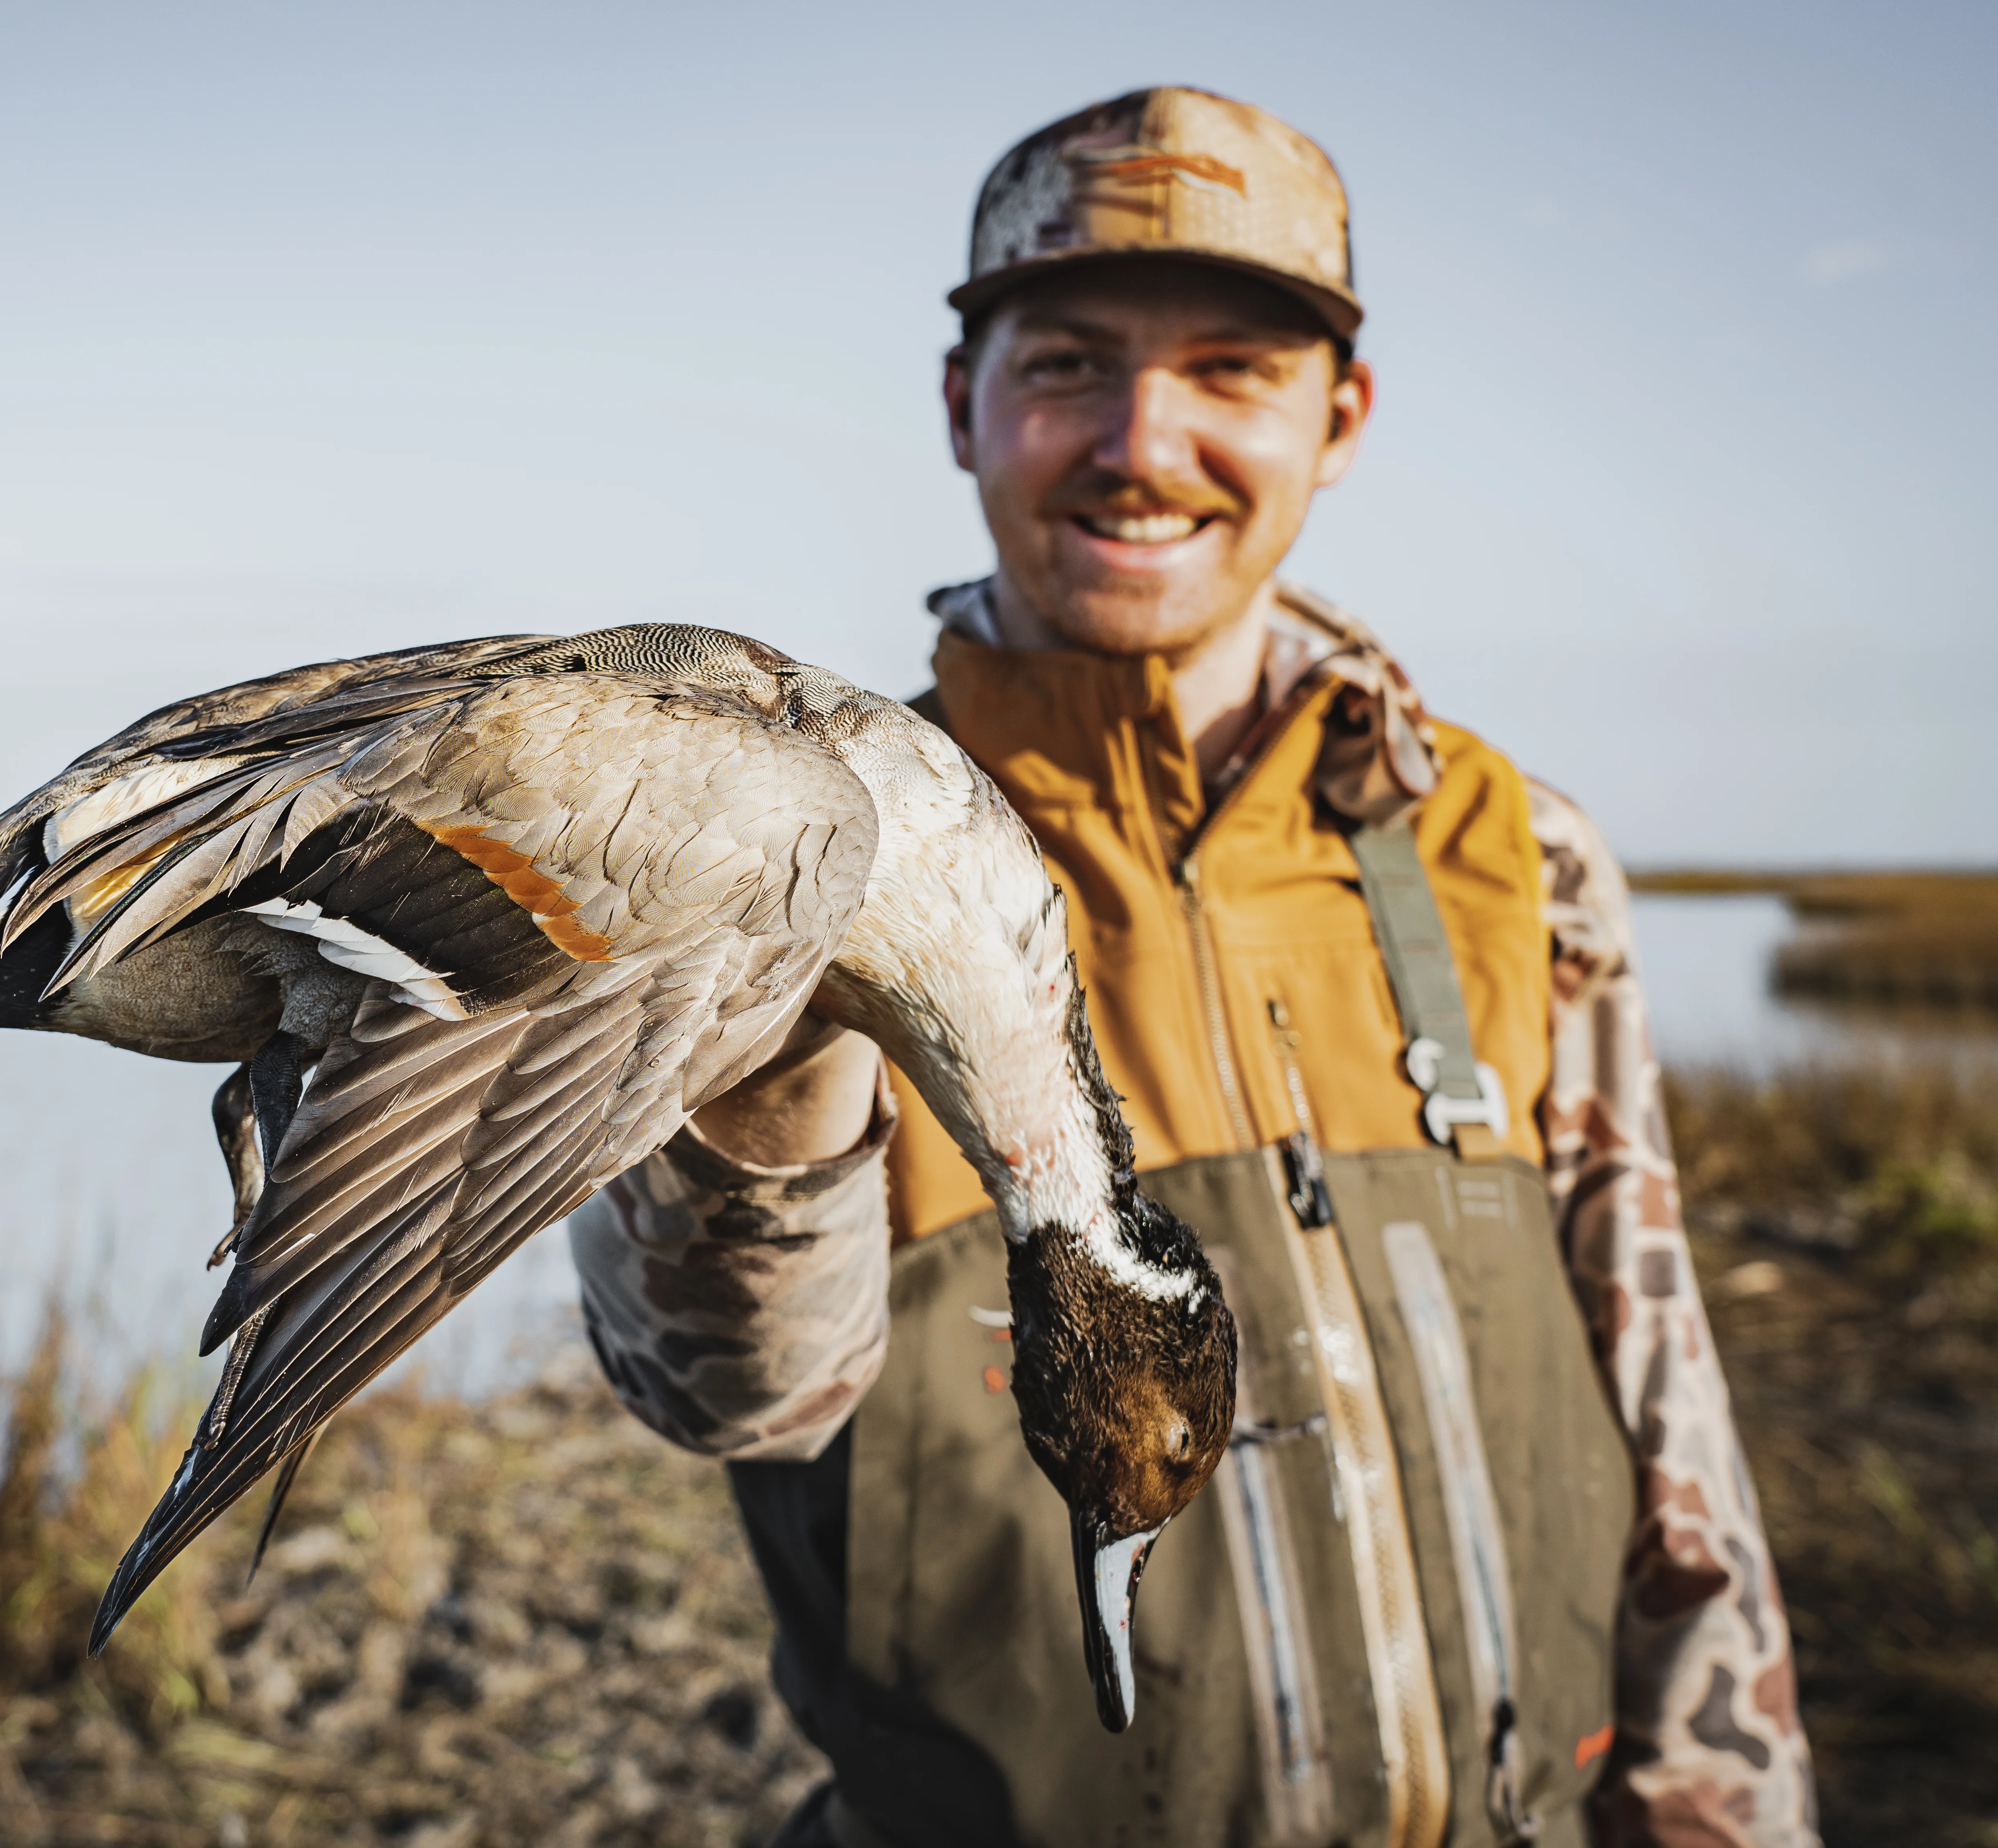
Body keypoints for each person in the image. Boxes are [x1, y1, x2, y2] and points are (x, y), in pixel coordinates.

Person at [569, 87, 1816, 1848]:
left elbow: (1674, 1444)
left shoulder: (1516, 861)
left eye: (1232, 370)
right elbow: (726, 1397)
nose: (1143, 442)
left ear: (1343, 418)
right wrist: (773, 1063)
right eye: (1069, 364)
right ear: (962, 409)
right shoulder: (816, 854)